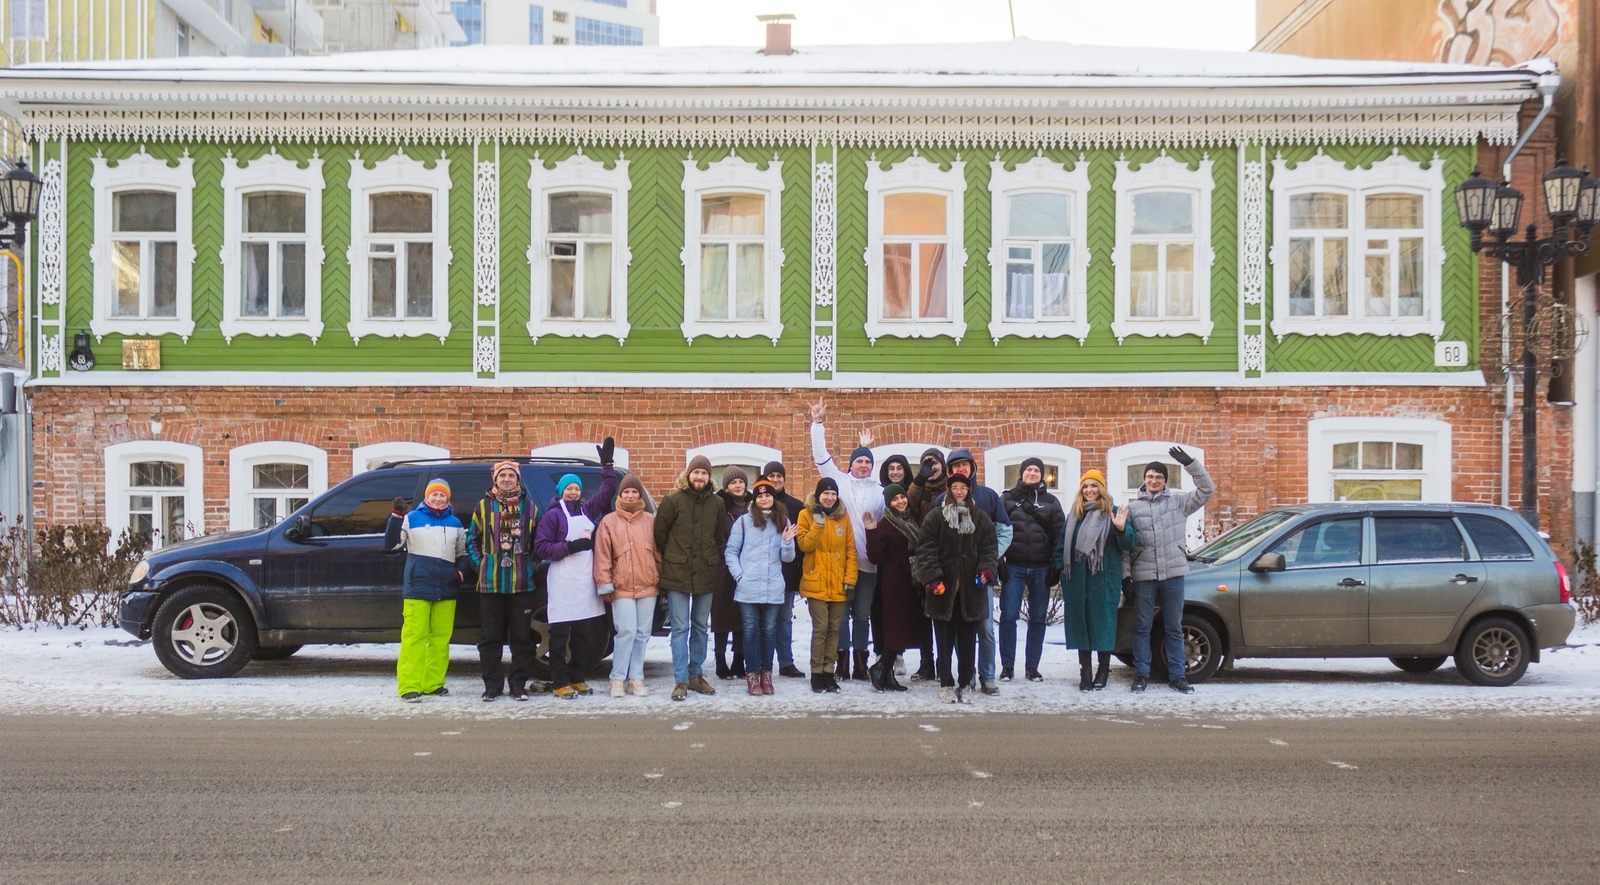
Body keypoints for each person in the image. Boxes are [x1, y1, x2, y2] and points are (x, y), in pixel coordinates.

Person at [533, 438, 619, 699]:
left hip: (584, 582)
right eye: (568, 488)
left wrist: (607, 465)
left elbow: (607, 491)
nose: (573, 491)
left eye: (576, 488)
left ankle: (578, 677)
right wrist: (569, 548)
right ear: (560, 491)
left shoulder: (587, 509)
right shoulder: (553, 516)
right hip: (563, 581)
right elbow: (542, 548)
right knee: (560, 635)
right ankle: (560, 681)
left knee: (583, 634)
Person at [1125, 447, 1215, 694]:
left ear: (1165, 481)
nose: (1154, 481)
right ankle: (1141, 674)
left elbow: (1207, 490)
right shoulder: (1132, 509)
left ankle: (1178, 676)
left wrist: (1191, 464)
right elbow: (1125, 546)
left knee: (1174, 627)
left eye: (1159, 477)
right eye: (1150, 477)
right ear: (1144, 480)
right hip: (1144, 577)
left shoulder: (1178, 503)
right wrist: (1126, 577)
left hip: (1173, 574)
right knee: (1142, 627)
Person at [808, 399, 884, 682]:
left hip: (866, 565)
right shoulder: (839, 482)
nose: (863, 465)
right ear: (851, 465)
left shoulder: (880, 491)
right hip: (839, 563)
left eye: (867, 462)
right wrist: (818, 424)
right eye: (858, 461)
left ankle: (861, 662)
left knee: (862, 615)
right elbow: (820, 456)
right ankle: (840, 661)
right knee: (840, 616)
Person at [913, 472, 999, 704]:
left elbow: (990, 548)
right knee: (944, 642)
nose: (959, 491)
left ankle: (965, 683)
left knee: (968, 642)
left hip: (971, 592)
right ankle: (946, 683)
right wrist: (932, 579)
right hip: (943, 591)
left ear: (969, 490)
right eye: (955, 487)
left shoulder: (980, 519)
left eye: (963, 487)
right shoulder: (936, 518)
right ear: (949, 490)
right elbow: (925, 550)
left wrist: (985, 570)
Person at [385, 478, 473, 703]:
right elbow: (392, 545)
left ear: (448, 498)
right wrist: (395, 517)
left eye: (442, 495)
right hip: (418, 587)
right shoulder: (411, 518)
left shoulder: (454, 522)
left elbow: (462, 553)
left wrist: (460, 572)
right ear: (426, 496)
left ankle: (433, 683)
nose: (438, 498)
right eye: (434, 494)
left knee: (440, 638)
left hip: (447, 587)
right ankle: (409, 686)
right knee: (414, 638)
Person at [934, 448, 1013, 695]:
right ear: (948, 472)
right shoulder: (941, 500)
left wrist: (987, 562)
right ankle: (965, 675)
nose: (961, 469)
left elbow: (1004, 532)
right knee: (959, 629)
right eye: (955, 465)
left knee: (985, 629)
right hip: (954, 579)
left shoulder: (988, 496)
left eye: (965, 465)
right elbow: (935, 539)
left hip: (980, 577)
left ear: (972, 468)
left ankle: (987, 676)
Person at [654, 454, 729, 701]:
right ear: (688, 475)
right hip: (677, 573)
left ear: (709, 477)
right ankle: (681, 679)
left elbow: (720, 537)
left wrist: (713, 560)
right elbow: (660, 535)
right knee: (680, 628)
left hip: (706, 573)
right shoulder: (673, 500)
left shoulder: (717, 504)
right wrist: (674, 557)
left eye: (704, 473)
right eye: (696, 472)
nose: (700, 477)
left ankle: (696, 674)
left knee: (699, 626)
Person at [465, 461, 541, 702]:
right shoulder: (482, 507)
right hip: (490, 585)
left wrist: (531, 565)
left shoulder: (531, 509)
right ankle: (493, 686)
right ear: (495, 479)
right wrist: (481, 565)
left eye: (511, 475)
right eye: (502, 475)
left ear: (517, 480)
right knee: (490, 638)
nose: (506, 479)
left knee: (522, 638)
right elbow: (471, 540)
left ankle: (518, 685)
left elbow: (540, 543)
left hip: (522, 585)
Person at [1056, 470, 1135, 691]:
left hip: (1103, 578)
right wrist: (1060, 568)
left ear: (1101, 488)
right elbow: (1062, 544)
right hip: (1077, 580)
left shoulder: (1114, 512)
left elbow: (1129, 543)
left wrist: (1120, 529)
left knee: (1103, 624)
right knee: (1081, 623)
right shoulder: (1074, 515)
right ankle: (1085, 671)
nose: (1089, 490)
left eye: (1094, 486)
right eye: (1085, 486)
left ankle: (1102, 670)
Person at [725, 479, 798, 696]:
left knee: (769, 631)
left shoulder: (783, 521)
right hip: (748, 588)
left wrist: (786, 542)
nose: (764, 499)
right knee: (750, 632)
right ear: (754, 499)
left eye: (768, 495)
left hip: (773, 587)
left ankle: (767, 674)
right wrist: (740, 576)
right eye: (760, 496)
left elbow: (788, 558)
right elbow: (731, 552)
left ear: (774, 499)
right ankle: (752, 675)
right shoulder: (744, 522)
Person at [593, 473, 659, 698]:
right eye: (626, 492)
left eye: (634, 492)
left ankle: (636, 678)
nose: (630, 496)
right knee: (626, 632)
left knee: (642, 633)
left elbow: (659, 553)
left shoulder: (650, 520)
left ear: (640, 495)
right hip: (621, 586)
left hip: (648, 584)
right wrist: (604, 583)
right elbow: (602, 555)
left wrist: (662, 577)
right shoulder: (609, 521)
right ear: (620, 495)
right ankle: (617, 678)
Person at [999, 457, 1065, 682]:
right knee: (1008, 617)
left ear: (1042, 475)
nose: (1033, 473)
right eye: (1029, 469)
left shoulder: (1051, 502)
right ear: (1022, 473)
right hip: (1014, 567)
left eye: (1037, 470)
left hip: (1041, 568)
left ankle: (1032, 667)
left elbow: (1059, 535)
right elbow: (996, 530)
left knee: (1038, 619)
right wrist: (998, 560)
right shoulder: (1007, 499)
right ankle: (1007, 667)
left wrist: (1057, 564)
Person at [796, 476, 858, 693]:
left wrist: (850, 579)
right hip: (817, 582)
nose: (829, 498)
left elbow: (850, 550)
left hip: (839, 583)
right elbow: (804, 545)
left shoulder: (844, 517)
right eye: (825, 494)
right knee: (820, 628)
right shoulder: (806, 515)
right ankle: (816, 672)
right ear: (818, 495)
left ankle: (829, 671)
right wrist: (818, 524)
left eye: (833, 494)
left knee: (835, 630)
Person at [862, 483, 924, 692]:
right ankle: (879, 668)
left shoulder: (910, 520)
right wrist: (871, 532)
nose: (900, 502)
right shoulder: (885, 525)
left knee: (904, 628)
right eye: (895, 499)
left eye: (902, 497)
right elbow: (875, 557)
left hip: (911, 581)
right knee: (896, 629)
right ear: (888, 504)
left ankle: (885, 673)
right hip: (894, 581)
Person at [904, 447, 947, 682]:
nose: (931, 466)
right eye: (926, 463)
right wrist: (919, 478)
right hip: (922, 560)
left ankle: (944, 664)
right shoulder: (917, 489)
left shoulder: (951, 487)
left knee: (941, 616)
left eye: (935, 462)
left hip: (945, 559)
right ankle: (926, 663)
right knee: (923, 617)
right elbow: (908, 507)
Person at [763, 461, 808, 679]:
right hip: (762, 573)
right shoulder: (757, 505)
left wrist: (800, 576)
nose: (776, 479)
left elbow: (800, 546)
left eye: (779, 476)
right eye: (771, 475)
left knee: (783, 619)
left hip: (788, 573)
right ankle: (763, 663)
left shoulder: (796, 506)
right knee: (764, 620)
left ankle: (786, 662)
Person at [712, 466, 751, 680]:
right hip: (723, 568)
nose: (737, 485)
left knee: (742, 615)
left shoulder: (753, 506)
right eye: (733, 482)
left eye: (741, 482)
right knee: (721, 615)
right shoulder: (718, 505)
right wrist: (726, 557)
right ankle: (720, 660)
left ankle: (739, 660)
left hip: (748, 568)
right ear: (726, 486)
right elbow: (715, 535)